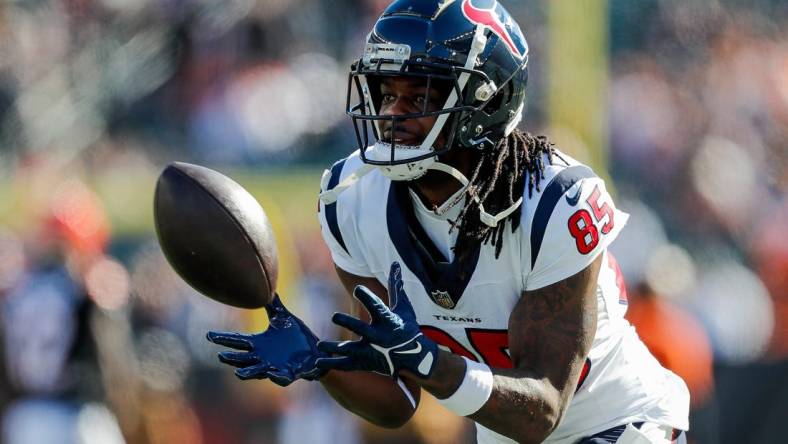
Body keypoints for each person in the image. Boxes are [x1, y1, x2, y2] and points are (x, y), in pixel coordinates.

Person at [207, 1, 690, 443]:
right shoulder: (351, 200)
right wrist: (320, 362)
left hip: (618, 422)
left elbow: (542, 409)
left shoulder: (554, 201)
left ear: (485, 104)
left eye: (417, 98)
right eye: (385, 92)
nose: (392, 115)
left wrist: (428, 362)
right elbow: (396, 399)